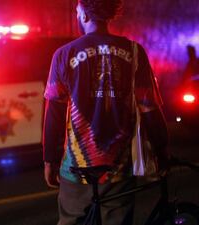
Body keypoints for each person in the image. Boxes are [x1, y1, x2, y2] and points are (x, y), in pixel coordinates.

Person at [42, 0, 169, 224]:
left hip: (76, 167)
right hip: (118, 168)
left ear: (84, 14)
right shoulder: (135, 52)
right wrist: (161, 151)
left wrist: (49, 160)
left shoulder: (63, 54)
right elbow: (149, 108)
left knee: (72, 219)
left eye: (77, 9)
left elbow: (53, 112)